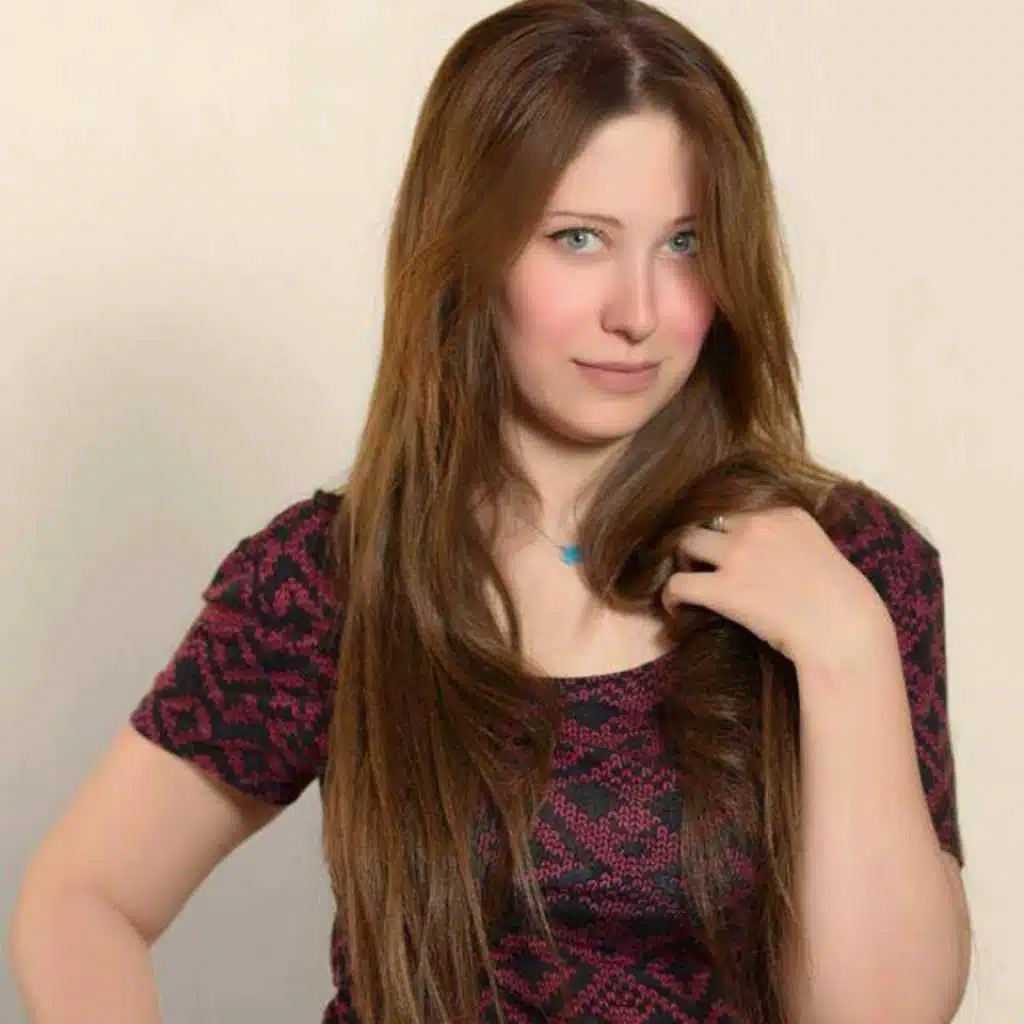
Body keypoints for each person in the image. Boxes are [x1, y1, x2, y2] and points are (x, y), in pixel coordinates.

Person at [9, 1, 971, 1021]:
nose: (639, 312)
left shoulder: (850, 565)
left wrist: (846, 651)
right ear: (470, 248)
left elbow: (884, 1014)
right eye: (579, 239)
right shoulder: (336, 579)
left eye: (686, 243)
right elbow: (81, 899)